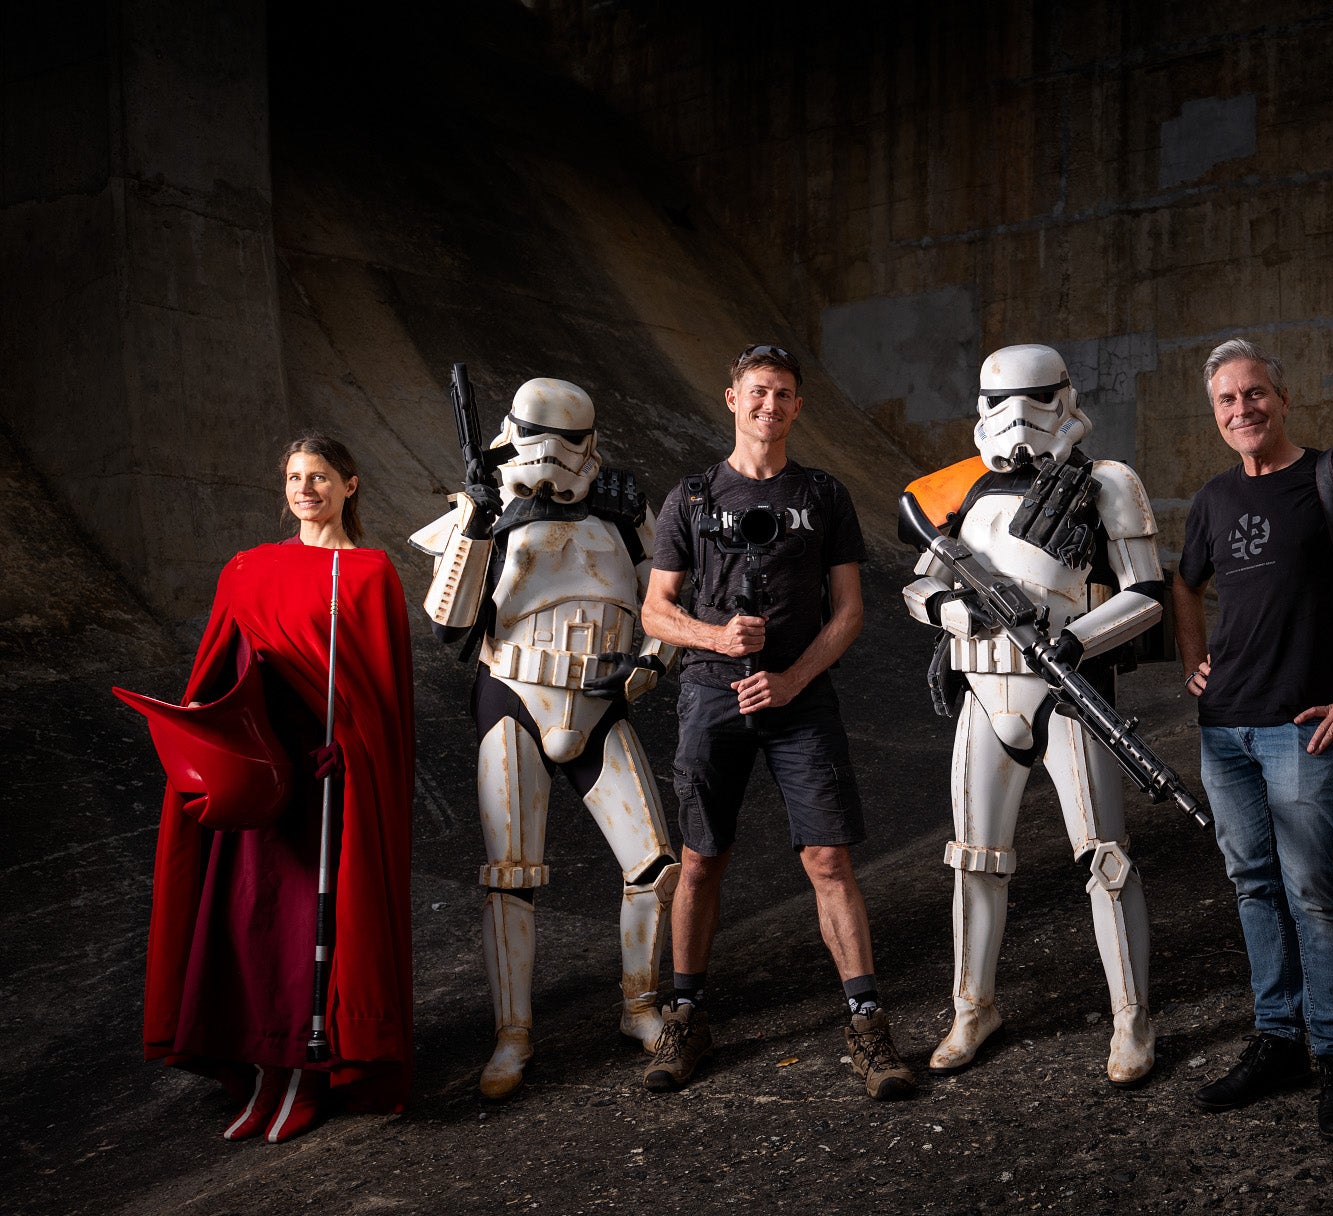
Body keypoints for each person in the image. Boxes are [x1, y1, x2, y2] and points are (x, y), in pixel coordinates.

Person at [638, 344, 914, 1099]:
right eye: (758, 391)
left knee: (828, 861)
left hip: (800, 698)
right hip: (710, 695)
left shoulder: (823, 494)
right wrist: (717, 637)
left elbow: (851, 611)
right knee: (700, 859)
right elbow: (656, 611)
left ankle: (867, 1025)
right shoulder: (691, 498)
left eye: (785, 394)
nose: (771, 404)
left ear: (797, 407)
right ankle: (686, 1014)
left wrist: (791, 679)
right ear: (732, 399)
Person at [123, 435, 415, 1144]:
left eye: (318, 476)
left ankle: (306, 1075)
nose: (304, 488)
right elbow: (220, 674)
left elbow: (382, 702)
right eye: (293, 476)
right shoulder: (248, 569)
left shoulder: (370, 574)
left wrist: (352, 750)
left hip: (327, 782)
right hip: (264, 777)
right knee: (252, 928)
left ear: (350, 484)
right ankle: (262, 1070)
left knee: (311, 931)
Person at [901, 342, 1169, 1086]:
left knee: (1106, 860)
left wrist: (1075, 639)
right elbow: (918, 586)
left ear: (1066, 398)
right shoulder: (962, 490)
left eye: (1035, 398)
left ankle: (1131, 1017)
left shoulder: (1106, 482)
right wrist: (953, 607)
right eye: (998, 402)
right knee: (973, 861)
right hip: (984, 697)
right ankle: (971, 1007)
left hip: (1066, 694)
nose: (1015, 418)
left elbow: (1146, 595)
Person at [1174, 339, 1333, 1143]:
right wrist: (1192, 660)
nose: (1242, 410)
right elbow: (1184, 584)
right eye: (1226, 402)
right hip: (1225, 731)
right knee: (1253, 884)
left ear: (1281, 399)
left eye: (1254, 395)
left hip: (1302, 726)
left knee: (1312, 889)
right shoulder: (1212, 500)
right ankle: (1279, 1041)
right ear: (1216, 416)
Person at [410, 376, 679, 1101]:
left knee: (654, 866)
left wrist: (652, 664)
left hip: (601, 700)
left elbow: (663, 597)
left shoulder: (625, 507)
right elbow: (451, 626)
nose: (554, 457)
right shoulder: (485, 502)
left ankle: (641, 1007)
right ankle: (513, 1036)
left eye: (570, 442)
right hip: (515, 697)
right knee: (512, 879)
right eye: (541, 439)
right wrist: (475, 522)